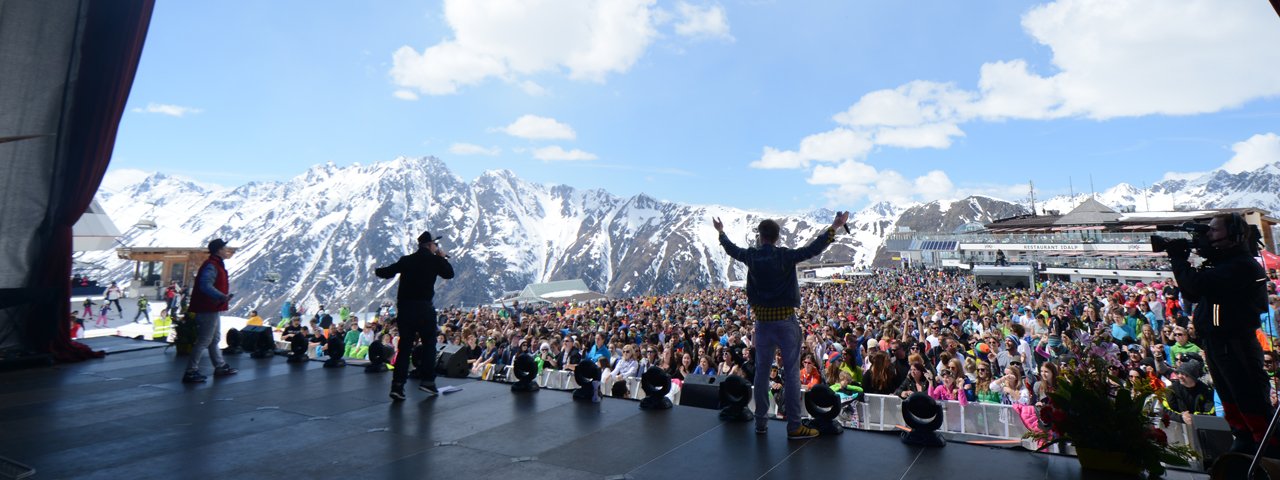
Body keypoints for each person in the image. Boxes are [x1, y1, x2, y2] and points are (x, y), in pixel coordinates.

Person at [715, 210, 848, 439]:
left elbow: (731, 249)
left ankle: (760, 423)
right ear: (777, 237)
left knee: (762, 373)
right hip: (786, 321)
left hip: (763, 324)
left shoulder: (751, 256)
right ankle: (794, 426)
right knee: (792, 374)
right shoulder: (785, 256)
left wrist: (721, 233)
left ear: (760, 236)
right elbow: (813, 249)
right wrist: (834, 227)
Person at [1167, 213, 1274, 455]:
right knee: (1229, 395)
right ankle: (1243, 437)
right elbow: (1193, 294)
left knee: (1248, 396)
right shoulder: (1223, 264)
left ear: (1234, 236)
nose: (1207, 235)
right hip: (1216, 342)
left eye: (1213, 231)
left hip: (1235, 343)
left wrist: (1178, 260)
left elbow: (1194, 286)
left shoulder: (1240, 265)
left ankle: (1266, 447)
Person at [375, 231, 454, 401]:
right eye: (436, 245)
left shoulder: (407, 260)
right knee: (429, 345)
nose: (437, 247)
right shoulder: (434, 260)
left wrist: (376, 270)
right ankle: (427, 381)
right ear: (430, 245)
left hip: (405, 309)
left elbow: (386, 272)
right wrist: (441, 257)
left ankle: (397, 386)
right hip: (424, 308)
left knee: (404, 348)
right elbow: (449, 273)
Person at [182, 239, 238, 383]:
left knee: (214, 339)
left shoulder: (214, 264)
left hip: (212, 307)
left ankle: (220, 365)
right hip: (208, 307)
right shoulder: (212, 266)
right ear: (219, 250)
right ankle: (191, 371)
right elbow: (205, 285)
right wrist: (221, 296)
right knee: (204, 340)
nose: (227, 250)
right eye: (224, 248)